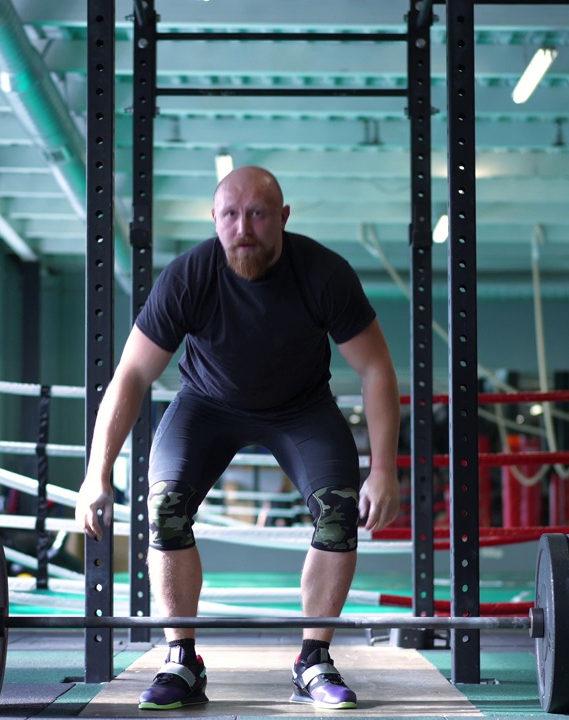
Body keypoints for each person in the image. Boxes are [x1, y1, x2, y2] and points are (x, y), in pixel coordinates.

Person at [76, 165, 401, 711]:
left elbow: (376, 370)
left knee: (340, 510)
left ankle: (313, 659)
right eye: (230, 214)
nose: (243, 226)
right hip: (207, 406)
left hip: (301, 410)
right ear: (215, 219)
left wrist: (384, 469)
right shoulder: (189, 276)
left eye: (257, 213)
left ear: (283, 217)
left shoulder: (324, 273)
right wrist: (95, 474)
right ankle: (181, 659)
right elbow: (131, 374)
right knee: (165, 506)